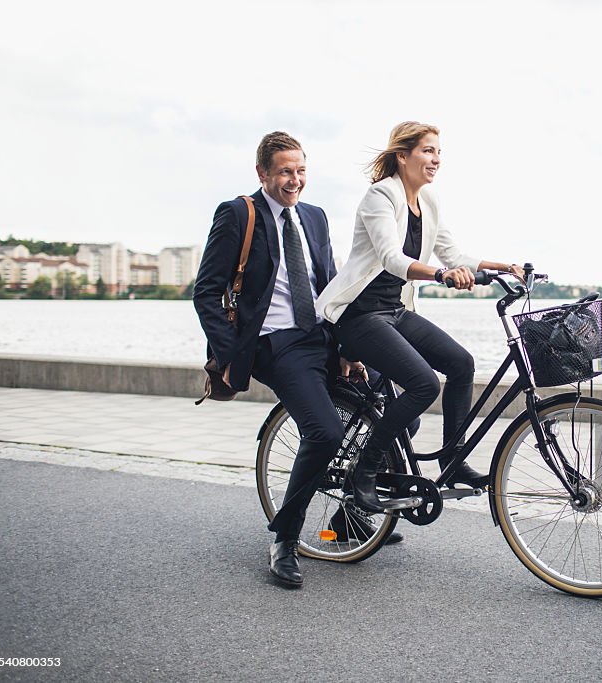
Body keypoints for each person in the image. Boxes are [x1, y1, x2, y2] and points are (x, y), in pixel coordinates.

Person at [193, 131, 400, 588]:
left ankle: (351, 512)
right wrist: (229, 356)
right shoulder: (237, 214)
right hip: (275, 343)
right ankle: (285, 538)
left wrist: (347, 346)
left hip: (322, 333)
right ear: (263, 173)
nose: (295, 180)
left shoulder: (314, 216)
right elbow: (206, 291)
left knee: (397, 407)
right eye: (285, 171)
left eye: (301, 170)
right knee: (324, 432)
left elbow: (330, 280)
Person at [316, 121, 524, 513]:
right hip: (360, 316)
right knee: (423, 384)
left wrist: (502, 267)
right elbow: (393, 259)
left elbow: (453, 254)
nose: (436, 160)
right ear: (403, 155)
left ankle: (453, 459)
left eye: (439, 152)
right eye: (428, 151)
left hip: (396, 311)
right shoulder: (381, 196)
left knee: (461, 364)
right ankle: (365, 469)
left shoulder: (428, 201)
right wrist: (441, 275)